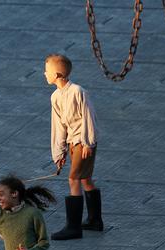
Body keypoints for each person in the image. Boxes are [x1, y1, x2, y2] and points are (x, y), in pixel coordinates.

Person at [45, 53, 103, 240]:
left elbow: (89, 117)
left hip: (83, 142)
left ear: (57, 74)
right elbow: (58, 126)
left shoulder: (78, 91)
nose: (45, 74)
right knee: (85, 178)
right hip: (72, 142)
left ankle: (73, 227)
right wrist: (59, 151)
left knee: (73, 179)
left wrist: (88, 142)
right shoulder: (55, 97)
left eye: (47, 71)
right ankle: (95, 220)